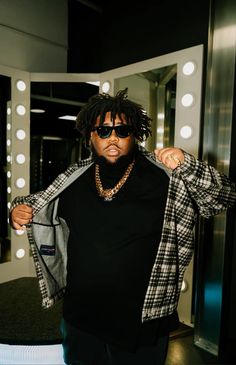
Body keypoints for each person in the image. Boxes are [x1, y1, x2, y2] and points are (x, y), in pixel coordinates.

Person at [10, 89, 236, 365]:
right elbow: (34, 202)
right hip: (82, 314)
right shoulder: (74, 176)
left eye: (122, 130)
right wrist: (16, 211)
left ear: (136, 134)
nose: (112, 137)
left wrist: (187, 165)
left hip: (142, 318)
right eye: (103, 131)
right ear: (90, 135)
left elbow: (224, 197)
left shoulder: (165, 176)